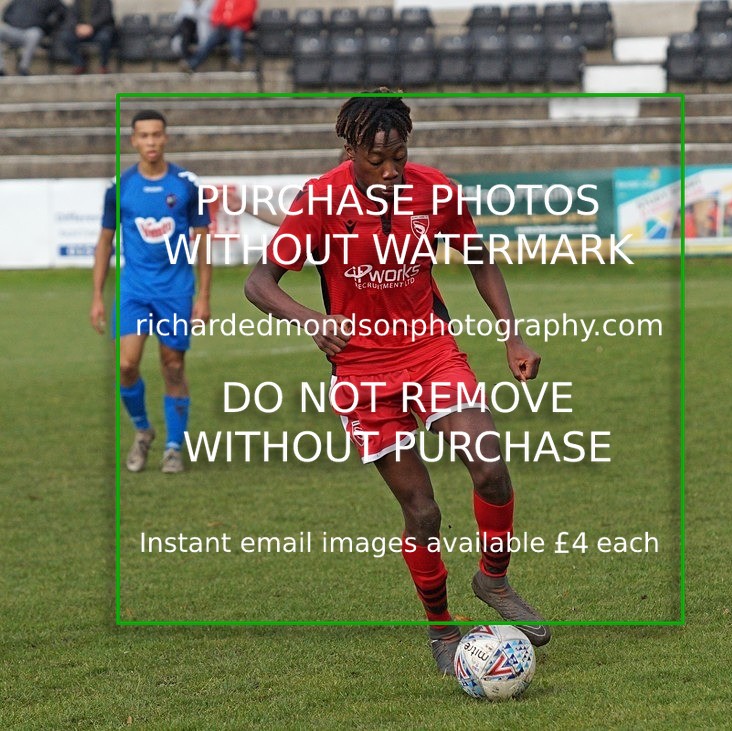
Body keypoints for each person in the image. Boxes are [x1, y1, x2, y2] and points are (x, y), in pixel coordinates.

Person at [244, 92, 551, 676]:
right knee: (423, 511)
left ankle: (494, 577)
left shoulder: (436, 190)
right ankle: (441, 629)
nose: (389, 170)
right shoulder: (321, 199)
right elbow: (260, 283)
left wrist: (511, 334)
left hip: (431, 350)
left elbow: (479, 258)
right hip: (362, 369)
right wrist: (312, 320)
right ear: (350, 149)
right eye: (375, 159)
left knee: (490, 466)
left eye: (399, 157)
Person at [91, 110, 211, 474]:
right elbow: (104, 242)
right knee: (127, 365)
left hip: (176, 290)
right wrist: (97, 295)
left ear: (166, 138)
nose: (151, 142)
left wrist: (204, 296)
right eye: (143, 136)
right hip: (134, 289)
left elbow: (203, 244)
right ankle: (143, 430)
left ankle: (174, 447)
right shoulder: (119, 187)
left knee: (172, 365)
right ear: (133, 141)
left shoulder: (188, 184)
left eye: (157, 135)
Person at [182, 0, 255, 72]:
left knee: (235, 37)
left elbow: (247, 12)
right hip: (223, 28)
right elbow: (215, 13)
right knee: (208, 42)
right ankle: (191, 64)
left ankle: (237, 61)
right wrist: (219, 22)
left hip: (239, 26)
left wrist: (228, 22)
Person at [0, 0, 65, 76]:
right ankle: (0, 69)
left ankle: (23, 68)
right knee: (1, 30)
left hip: (31, 32)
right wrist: (13, 21)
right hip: (14, 30)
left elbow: (63, 12)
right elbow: (6, 13)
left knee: (35, 33)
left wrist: (48, 27)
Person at [60, 0, 115, 74]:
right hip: (80, 30)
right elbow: (71, 16)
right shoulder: (78, 2)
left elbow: (105, 15)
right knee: (66, 36)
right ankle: (79, 64)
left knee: (104, 38)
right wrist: (77, 27)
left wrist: (91, 26)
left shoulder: (104, 1)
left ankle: (103, 65)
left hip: (99, 29)